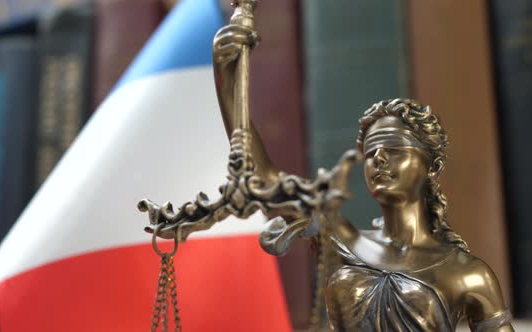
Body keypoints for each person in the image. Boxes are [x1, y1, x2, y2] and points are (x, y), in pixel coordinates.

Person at [213, 24, 514, 331]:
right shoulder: (339, 239)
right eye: (370, 153)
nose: (379, 159)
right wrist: (227, 85)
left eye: (395, 148)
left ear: (431, 165)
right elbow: (266, 180)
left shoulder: (466, 273)